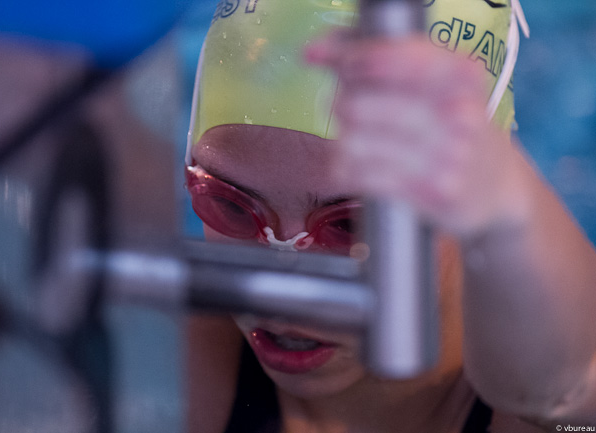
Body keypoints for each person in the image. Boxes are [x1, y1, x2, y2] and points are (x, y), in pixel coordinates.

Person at [184, 0, 596, 432]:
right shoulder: (169, 353)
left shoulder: (528, 397)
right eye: (231, 204)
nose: (283, 287)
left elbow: (570, 392)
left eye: (353, 224)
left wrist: (506, 202)